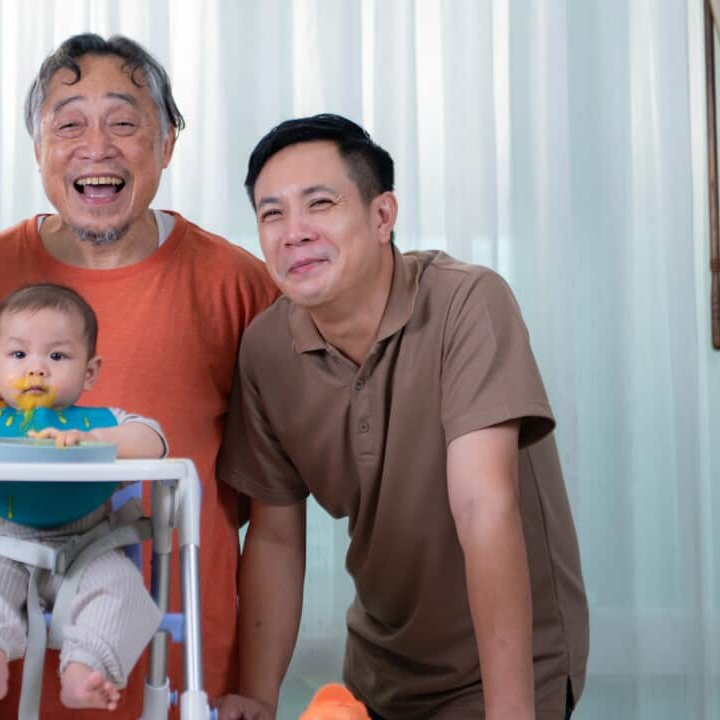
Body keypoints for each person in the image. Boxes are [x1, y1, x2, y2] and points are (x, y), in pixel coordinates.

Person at [216, 114, 588, 720]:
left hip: (503, 676)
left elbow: (484, 509)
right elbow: (278, 538)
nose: (294, 233)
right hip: (376, 673)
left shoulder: (468, 302)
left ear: (382, 215)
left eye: (320, 204)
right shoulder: (264, 350)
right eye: (271, 214)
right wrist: (259, 698)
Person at [0, 33, 280, 719]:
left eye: (124, 121)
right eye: (68, 122)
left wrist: (255, 689)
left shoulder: (238, 286)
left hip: (185, 676)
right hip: (0, 679)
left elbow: (277, 516)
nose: (96, 145)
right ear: (38, 148)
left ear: (168, 144)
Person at [0, 283, 166, 711]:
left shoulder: (102, 423)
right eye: (18, 355)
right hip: (1, 550)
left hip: (90, 551)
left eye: (57, 356)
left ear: (89, 372)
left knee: (124, 588)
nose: (36, 369)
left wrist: (93, 439)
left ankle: (86, 671)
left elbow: (153, 440)